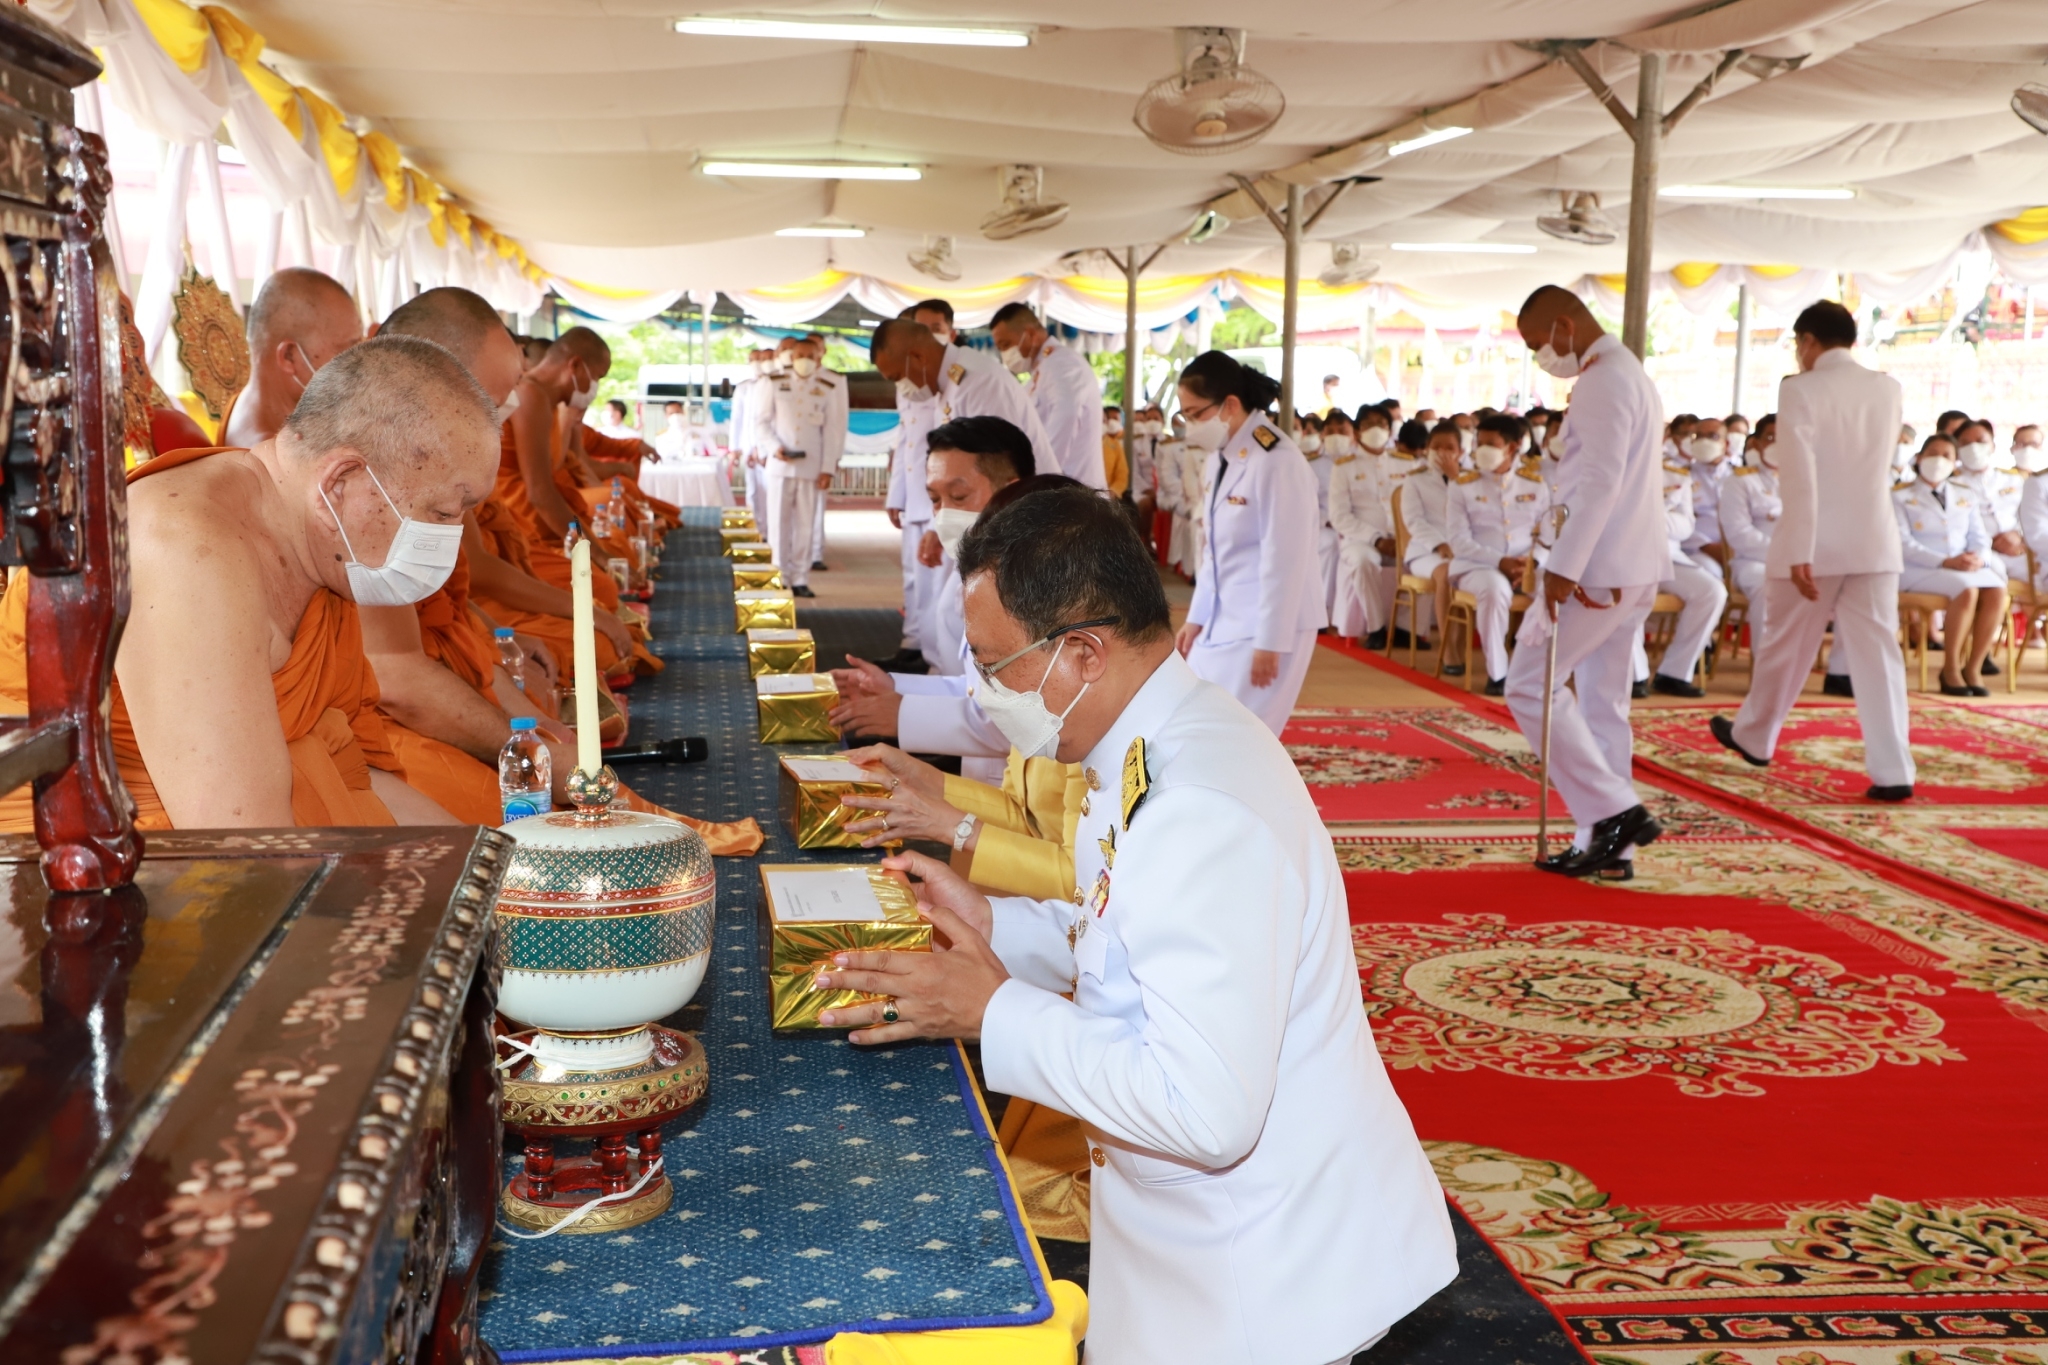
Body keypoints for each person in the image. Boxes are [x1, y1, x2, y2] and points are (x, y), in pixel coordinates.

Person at [809, 486, 1458, 1365]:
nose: (981, 691)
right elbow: (1117, 935)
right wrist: (991, 922)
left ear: (1081, 652)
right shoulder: (1149, 742)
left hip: (1257, 1280)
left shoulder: (1197, 802)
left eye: (996, 666)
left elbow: (1205, 1111)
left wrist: (991, 1010)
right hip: (1204, 1250)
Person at [6, 335, 497, 829]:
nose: (450, 539)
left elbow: (353, 774)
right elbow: (238, 847)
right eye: (443, 512)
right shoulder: (184, 544)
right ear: (341, 482)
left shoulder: (325, 551)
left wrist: (485, 870)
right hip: (93, 867)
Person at [1712, 300, 1915, 800]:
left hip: (1816, 540)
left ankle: (1756, 736)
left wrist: (1801, 546)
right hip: (1873, 539)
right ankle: (1895, 772)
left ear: (1808, 341)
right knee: (1878, 656)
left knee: (1787, 644)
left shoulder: (1799, 387)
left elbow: (1800, 474)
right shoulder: (1888, 387)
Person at [1505, 286, 1669, 877]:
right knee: (1603, 702)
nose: (1539, 357)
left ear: (1565, 327)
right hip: (1630, 563)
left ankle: (1615, 811)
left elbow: (1598, 483)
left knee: (1528, 684)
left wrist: (1561, 568)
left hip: (1598, 568)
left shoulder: (1604, 380)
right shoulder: (1626, 372)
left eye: (1537, 344)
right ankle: (1610, 846)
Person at [827, 418, 1040, 783]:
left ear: (1011, 492)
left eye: (959, 497)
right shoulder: (983, 569)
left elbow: (1024, 718)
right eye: (935, 500)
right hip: (988, 786)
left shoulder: (1035, 584)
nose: (944, 514)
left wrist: (903, 714)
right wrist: (895, 687)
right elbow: (975, 687)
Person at [1173, 351, 1326, 732]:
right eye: (1184, 417)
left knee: (1240, 734)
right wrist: (1197, 618)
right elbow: (1213, 550)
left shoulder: (1277, 459)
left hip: (1269, 621)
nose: (1190, 425)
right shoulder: (1219, 455)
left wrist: (1271, 641)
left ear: (1230, 405)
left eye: (1195, 414)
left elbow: (1284, 557)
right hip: (1224, 617)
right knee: (1195, 718)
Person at [869, 317, 1058, 477]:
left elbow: (999, 472)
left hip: (1029, 511)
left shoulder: (978, 383)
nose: (901, 387)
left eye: (897, 377)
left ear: (918, 357)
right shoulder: (948, 382)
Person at [1894, 434, 2007, 696]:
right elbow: (1902, 543)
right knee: (1966, 590)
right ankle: (1950, 668)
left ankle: (1974, 667)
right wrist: (1945, 561)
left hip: (1961, 566)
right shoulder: (1900, 496)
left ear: (1955, 463)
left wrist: (1979, 558)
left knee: (1996, 589)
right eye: (1933, 453)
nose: (1939, 460)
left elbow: (1979, 537)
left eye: (1947, 455)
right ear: (1919, 458)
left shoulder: (1964, 495)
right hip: (1918, 569)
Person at [1444, 413, 1547, 693]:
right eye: (1480, 442)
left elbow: (1548, 536)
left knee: (1555, 591)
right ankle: (1498, 674)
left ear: (1513, 447)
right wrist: (1500, 562)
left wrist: (1532, 563)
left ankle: (1538, 670)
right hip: (1476, 566)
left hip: (1527, 565)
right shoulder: (1462, 486)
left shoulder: (1535, 485)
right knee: (1494, 590)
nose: (1482, 449)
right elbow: (1458, 540)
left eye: (1491, 443)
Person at [220, 267, 362, 448]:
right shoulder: (270, 459)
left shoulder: (255, 407)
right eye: (347, 351)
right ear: (289, 357)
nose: (358, 364)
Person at [885, 302, 954, 668]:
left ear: (951, 332)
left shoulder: (950, 378)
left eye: (936, 326)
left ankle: (933, 655)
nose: (928, 333)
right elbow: (906, 438)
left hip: (940, 495)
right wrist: (896, 493)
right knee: (914, 576)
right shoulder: (906, 379)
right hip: (914, 489)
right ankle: (914, 640)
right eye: (920, 327)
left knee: (937, 582)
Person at [752, 334, 845, 597]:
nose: (805, 361)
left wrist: (828, 468)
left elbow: (833, 431)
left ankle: (801, 577)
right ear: (791, 358)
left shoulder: (829, 386)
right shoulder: (774, 382)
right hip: (779, 464)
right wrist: (773, 447)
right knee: (778, 521)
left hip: (812, 466)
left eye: (810, 357)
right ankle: (779, 573)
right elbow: (761, 422)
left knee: (805, 523)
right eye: (800, 356)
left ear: (819, 359)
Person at [989, 302, 1107, 488]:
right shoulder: (1041, 371)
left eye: (1006, 345)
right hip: (1058, 492)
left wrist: (1037, 483)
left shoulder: (1063, 363)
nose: (1005, 354)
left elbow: (1063, 426)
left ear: (1030, 334)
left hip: (1074, 495)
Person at [1647, 437, 1727, 697]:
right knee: (1631, 597)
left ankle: (1675, 672)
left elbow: (1685, 525)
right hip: (1621, 555)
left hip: (1668, 555)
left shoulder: (1673, 476)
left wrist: (1653, 518)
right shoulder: (1613, 469)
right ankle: (1633, 674)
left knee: (1713, 592)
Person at [1328, 405, 1397, 644]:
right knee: (1364, 561)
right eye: (1369, 425)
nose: (1376, 429)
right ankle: (1377, 627)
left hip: (1401, 538)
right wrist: (1377, 539)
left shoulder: (1405, 464)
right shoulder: (1344, 466)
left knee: (1423, 558)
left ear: (1390, 430)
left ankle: (1409, 630)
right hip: (1360, 540)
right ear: (1357, 431)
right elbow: (1339, 516)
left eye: (1382, 424)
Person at [1952, 417, 2027, 590]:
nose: (1973, 447)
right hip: (1979, 552)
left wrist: (2019, 538)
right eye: (1965, 443)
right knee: (1995, 577)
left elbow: (2031, 517)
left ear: (1992, 445)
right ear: (1957, 449)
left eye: (1980, 441)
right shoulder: (1951, 485)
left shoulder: (2013, 480)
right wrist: (1989, 542)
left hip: (2018, 549)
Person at [1306, 410, 1347, 627]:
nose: (1336, 436)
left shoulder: (1361, 463)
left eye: (1342, 431)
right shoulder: (1313, 465)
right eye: (1330, 431)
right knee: (1330, 544)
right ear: (1322, 435)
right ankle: (1320, 611)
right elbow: (1307, 504)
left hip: (1356, 526)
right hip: (1324, 525)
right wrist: (1327, 520)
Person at [1099, 404, 1131, 497]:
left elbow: (1122, 473)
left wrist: (1113, 492)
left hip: (1108, 495)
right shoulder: (1085, 441)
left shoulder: (1115, 444)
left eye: (1115, 418)